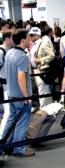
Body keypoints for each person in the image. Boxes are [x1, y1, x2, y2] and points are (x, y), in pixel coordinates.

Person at [0, 29, 35, 157]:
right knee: (22, 122)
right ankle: (18, 149)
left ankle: (5, 145)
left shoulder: (9, 53)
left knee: (11, 119)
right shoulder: (22, 56)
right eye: (27, 37)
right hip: (21, 95)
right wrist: (27, 96)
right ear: (22, 40)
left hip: (11, 93)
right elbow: (21, 78)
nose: (29, 39)